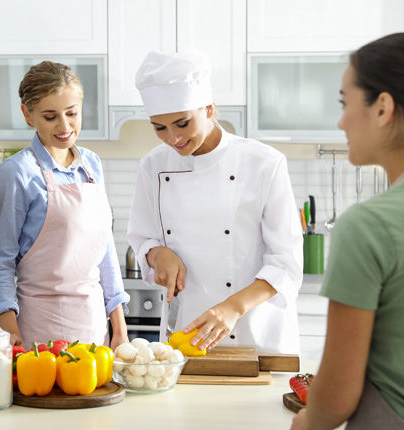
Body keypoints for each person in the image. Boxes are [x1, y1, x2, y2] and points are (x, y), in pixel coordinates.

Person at [128, 50, 303, 353]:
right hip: (187, 333)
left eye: (182, 123)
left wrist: (232, 308)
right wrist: (157, 254)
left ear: (208, 109)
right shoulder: (152, 166)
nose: (172, 138)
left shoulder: (264, 164)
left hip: (255, 333)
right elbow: (143, 238)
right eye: (159, 127)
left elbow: (285, 264)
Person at [289, 33, 404, 430]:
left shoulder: (369, 226)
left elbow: (337, 396)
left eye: (345, 103)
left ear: (383, 108)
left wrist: (306, 424)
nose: (341, 121)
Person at [0, 61, 130, 349]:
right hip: (39, 333)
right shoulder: (16, 173)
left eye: (72, 113)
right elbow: (0, 261)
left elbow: (106, 252)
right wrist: (12, 334)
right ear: (28, 114)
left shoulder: (92, 164)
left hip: (94, 329)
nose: (64, 127)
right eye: (50, 116)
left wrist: (119, 331)